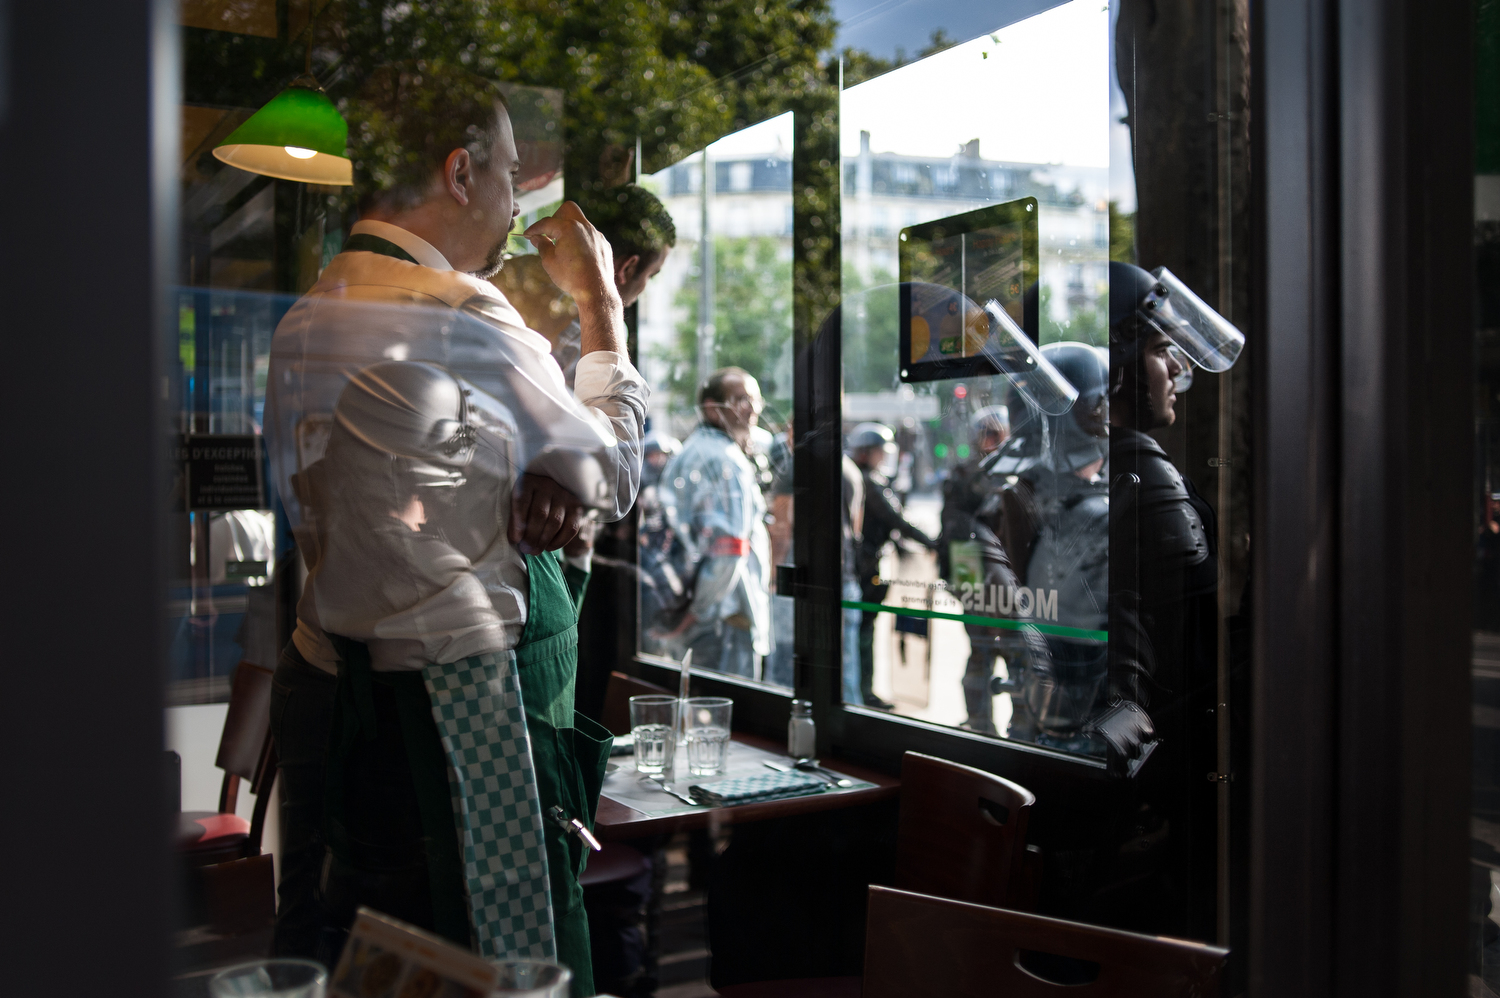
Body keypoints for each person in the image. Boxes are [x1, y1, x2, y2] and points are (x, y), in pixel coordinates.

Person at [264, 64, 646, 996]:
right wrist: (602, 307)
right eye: (513, 176)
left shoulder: (306, 317)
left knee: (340, 955)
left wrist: (533, 472)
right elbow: (617, 473)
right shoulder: (461, 311)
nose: (519, 208)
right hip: (443, 719)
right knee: (483, 967)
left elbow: (418, 473)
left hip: (326, 696)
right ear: (461, 173)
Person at [1098, 260, 1243, 938]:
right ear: (1120, 365)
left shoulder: (1088, 467)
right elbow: (1196, 645)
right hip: (1166, 787)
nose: (1177, 368)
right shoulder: (1148, 476)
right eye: (1160, 349)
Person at [978, 344, 1111, 748]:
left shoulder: (1023, 495)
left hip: (1048, 711)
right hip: (1079, 722)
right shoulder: (1086, 511)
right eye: (1103, 403)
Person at [652, 368, 772, 677]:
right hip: (726, 615)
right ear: (711, 407)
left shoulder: (691, 450)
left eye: (756, 399)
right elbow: (729, 548)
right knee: (731, 713)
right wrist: (696, 613)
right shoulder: (725, 460)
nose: (753, 408)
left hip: (699, 610)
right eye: (741, 399)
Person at [549, 184, 677, 388]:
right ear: (627, 268)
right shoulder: (595, 332)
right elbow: (612, 418)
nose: (645, 287)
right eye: (651, 275)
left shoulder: (522, 283)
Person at [849, 422, 939, 709]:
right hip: (866, 570)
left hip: (864, 566)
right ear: (866, 452)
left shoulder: (863, 478)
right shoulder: (869, 482)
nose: (883, 457)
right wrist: (931, 542)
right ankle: (863, 692)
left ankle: (862, 689)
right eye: (879, 451)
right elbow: (897, 520)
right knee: (864, 633)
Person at [938, 404, 1011, 733]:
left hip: (1012, 577)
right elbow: (955, 532)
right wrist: (966, 587)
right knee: (981, 649)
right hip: (979, 571)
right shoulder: (965, 474)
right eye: (986, 432)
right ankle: (981, 723)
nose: (990, 439)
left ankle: (1021, 728)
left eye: (996, 433)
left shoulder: (1016, 470)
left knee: (1016, 653)